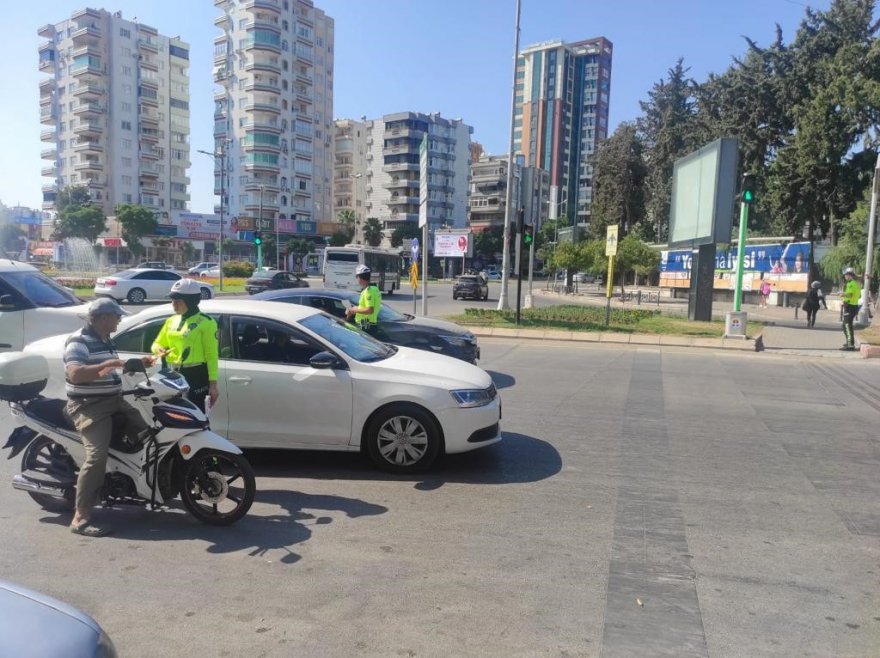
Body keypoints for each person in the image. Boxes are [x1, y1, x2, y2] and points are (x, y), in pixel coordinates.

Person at [65, 298, 155, 537]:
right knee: (96, 457)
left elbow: (107, 368)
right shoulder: (78, 341)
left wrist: (135, 363)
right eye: (117, 317)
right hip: (90, 407)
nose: (120, 320)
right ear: (104, 318)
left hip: (115, 402)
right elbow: (75, 374)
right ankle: (81, 516)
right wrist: (111, 363)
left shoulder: (105, 339)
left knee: (148, 433)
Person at [151, 278, 219, 411]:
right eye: (172, 301)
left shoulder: (206, 323)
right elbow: (157, 343)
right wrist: (159, 350)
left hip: (196, 375)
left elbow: (211, 355)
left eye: (178, 301)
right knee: (173, 416)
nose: (173, 305)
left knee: (196, 417)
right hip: (171, 374)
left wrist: (213, 385)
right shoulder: (171, 320)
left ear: (191, 302)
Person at [345, 264, 382, 333]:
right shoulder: (375, 289)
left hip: (365, 324)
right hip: (370, 323)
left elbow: (370, 310)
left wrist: (355, 309)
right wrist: (357, 308)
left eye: (356, 277)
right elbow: (367, 307)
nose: (357, 279)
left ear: (359, 277)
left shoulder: (368, 291)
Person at [840, 267, 862, 351]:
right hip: (853, 306)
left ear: (849, 275)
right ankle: (849, 342)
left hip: (850, 306)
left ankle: (850, 345)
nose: (845, 276)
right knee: (847, 325)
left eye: (845, 275)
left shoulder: (851, 283)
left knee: (846, 325)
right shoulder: (856, 284)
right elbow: (858, 295)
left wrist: (843, 295)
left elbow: (850, 295)